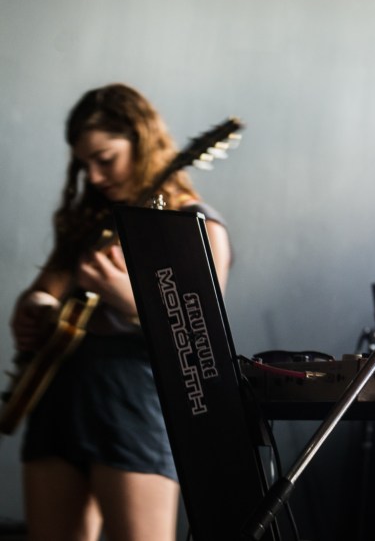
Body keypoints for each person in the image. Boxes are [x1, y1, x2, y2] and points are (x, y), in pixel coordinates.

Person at [8, 83, 232, 541]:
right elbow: (43, 293)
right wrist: (35, 308)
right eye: (83, 164)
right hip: (60, 394)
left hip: (133, 401)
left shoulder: (196, 224)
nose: (92, 177)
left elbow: (198, 339)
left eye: (104, 159)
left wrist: (124, 296)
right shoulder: (94, 222)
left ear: (141, 139)